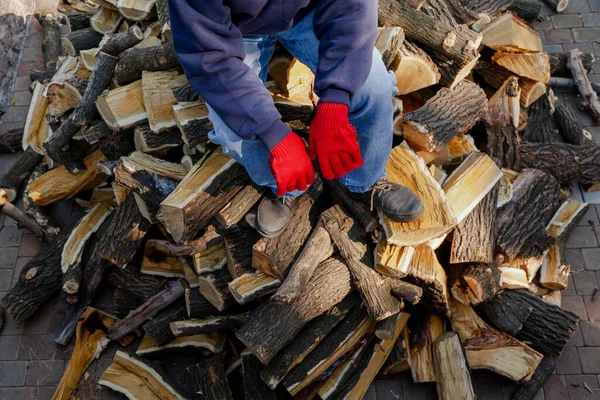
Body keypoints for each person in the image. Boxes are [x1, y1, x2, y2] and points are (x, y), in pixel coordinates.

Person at [169, 0, 424, 238]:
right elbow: (208, 54)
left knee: (374, 87)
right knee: (232, 133)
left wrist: (335, 100)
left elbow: (353, 7)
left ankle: (365, 181)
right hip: (234, 31)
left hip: (310, 12)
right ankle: (288, 186)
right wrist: (273, 134)